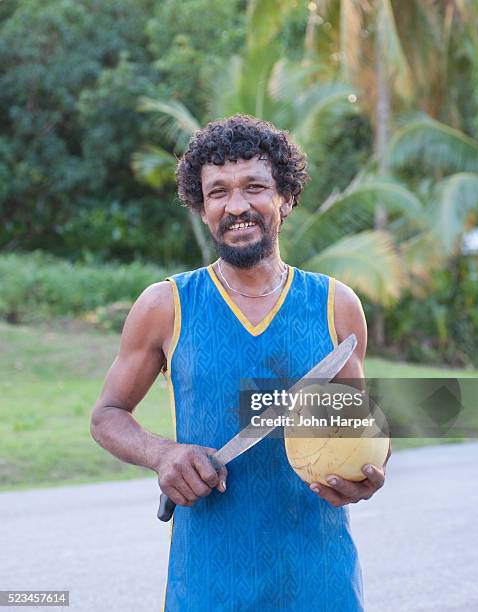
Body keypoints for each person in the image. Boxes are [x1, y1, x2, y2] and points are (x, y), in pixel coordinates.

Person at [90, 115, 389, 611]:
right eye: (218, 192)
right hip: (208, 584)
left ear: (285, 197)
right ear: (203, 208)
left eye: (254, 187)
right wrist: (162, 454)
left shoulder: (336, 305)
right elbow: (107, 416)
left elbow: (358, 429)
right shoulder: (165, 306)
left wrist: (367, 471)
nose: (237, 206)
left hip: (320, 581)